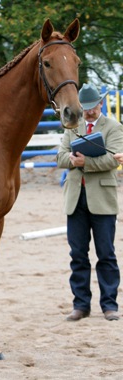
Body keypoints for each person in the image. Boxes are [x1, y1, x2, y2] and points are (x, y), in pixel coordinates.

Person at [57, 83, 123, 322]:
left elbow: (113, 159)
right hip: (75, 199)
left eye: (92, 107)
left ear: (101, 104)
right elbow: (60, 156)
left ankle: (109, 305)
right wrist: (73, 162)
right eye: (85, 108)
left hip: (102, 199)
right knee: (78, 255)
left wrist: (86, 162)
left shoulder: (114, 127)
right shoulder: (72, 126)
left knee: (106, 254)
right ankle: (81, 305)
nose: (88, 112)